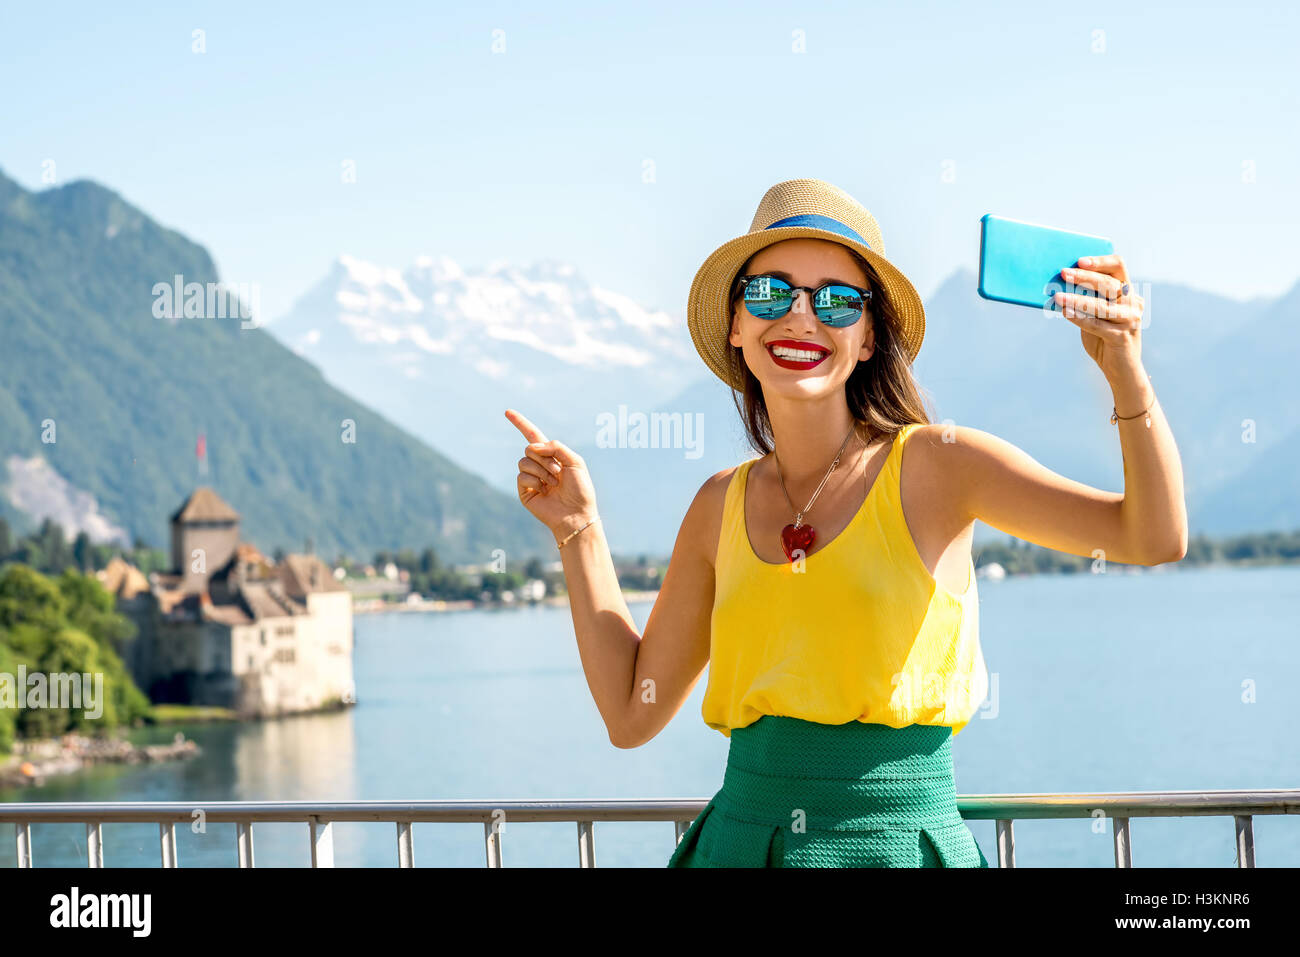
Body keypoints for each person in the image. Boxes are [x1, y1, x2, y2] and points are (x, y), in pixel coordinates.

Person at [505, 178, 1186, 867]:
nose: (801, 319)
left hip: (896, 849)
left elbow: (1151, 537)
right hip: (740, 847)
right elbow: (631, 711)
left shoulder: (939, 466)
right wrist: (579, 530)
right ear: (736, 326)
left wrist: (1125, 372)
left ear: (867, 338)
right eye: (771, 292)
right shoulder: (718, 505)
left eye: (836, 301)